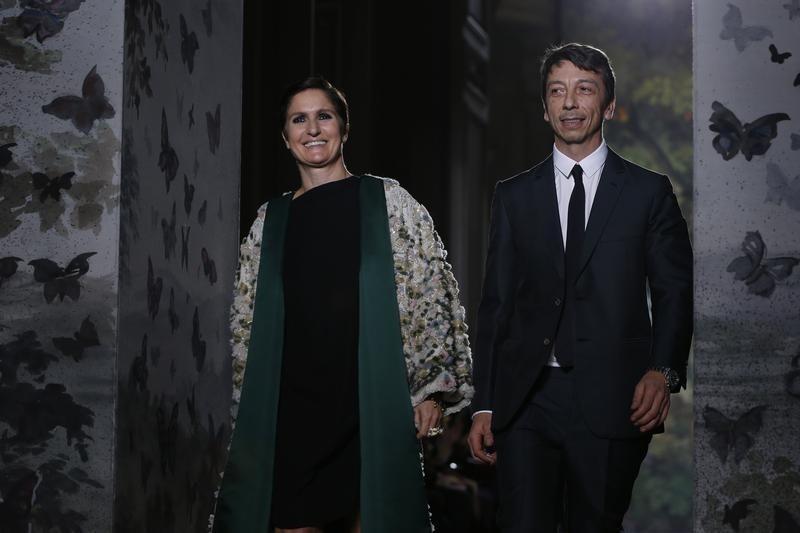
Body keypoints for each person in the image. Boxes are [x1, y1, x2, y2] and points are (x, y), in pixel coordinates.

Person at [209, 76, 473, 533]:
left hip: (370, 397)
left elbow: (432, 291)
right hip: (293, 405)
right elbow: (245, 322)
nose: (313, 129)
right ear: (286, 136)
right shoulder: (270, 221)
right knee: (291, 522)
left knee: (370, 519)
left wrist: (432, 388)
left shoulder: (388, 202)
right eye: (299, 119)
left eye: (324, 116)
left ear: (344, 128)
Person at [468, 43, 693, 532]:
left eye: (584, 89)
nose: (570, 102)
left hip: (614, 397)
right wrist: (484, 401)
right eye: (557, 91)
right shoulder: (513, 196)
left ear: (608, 104)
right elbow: (496, 305)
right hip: (527, 398)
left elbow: (674, 289)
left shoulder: (647, 193)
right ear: (544, 107)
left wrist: (663, 371)